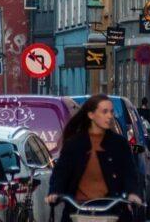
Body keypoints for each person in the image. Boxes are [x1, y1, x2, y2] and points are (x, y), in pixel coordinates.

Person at [48, 94, 143, 222]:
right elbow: (61, 172)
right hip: (78, 211)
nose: (109, 116)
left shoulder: (119, 144)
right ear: (91, 115)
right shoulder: (74, 144)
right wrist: (55, 192)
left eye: (111, 112)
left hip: (111, 211)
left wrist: (132, 193)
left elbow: (130, 172)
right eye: (104, 112)